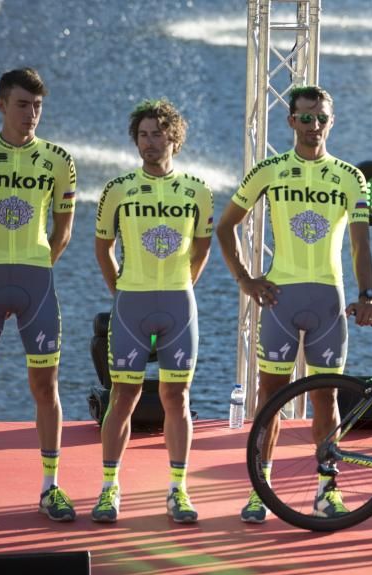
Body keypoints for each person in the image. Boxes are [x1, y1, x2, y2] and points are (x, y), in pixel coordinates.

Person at [217, 85, 372, 523]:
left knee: (326, 398)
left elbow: (361, 246)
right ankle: (259, 489)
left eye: (321, 118)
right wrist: (247, 281)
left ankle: (328, 489)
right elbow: (226, 226)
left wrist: (367, 295)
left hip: (328, 298)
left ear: (332, 120)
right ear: (290, 122)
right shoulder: (268, 170)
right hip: (280, 299)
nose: (314, 126)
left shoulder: (350, 177)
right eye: (305, 118)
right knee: (269, 398)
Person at [91, 99, 214, 523]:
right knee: (122, 397)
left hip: (179, 303)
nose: (149, 142)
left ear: (173, 138)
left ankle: (178, 490)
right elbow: (103, 246)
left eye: (157, 134)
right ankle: (109, 489)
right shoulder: (118, 189)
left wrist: (184, 284)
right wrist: (120, 288)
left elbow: (203, 246)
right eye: (142, 135)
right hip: (131, 304)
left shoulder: (198, 190)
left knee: (176, 397)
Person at [0, 68, 77, 521]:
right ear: (0, 105)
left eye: (37, 106)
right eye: (22, 105)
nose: (31, 114)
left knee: (45, 386)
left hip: (35, 281)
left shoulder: (58, 160)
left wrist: (38, 265)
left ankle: (50, 487)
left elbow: (64, 229)